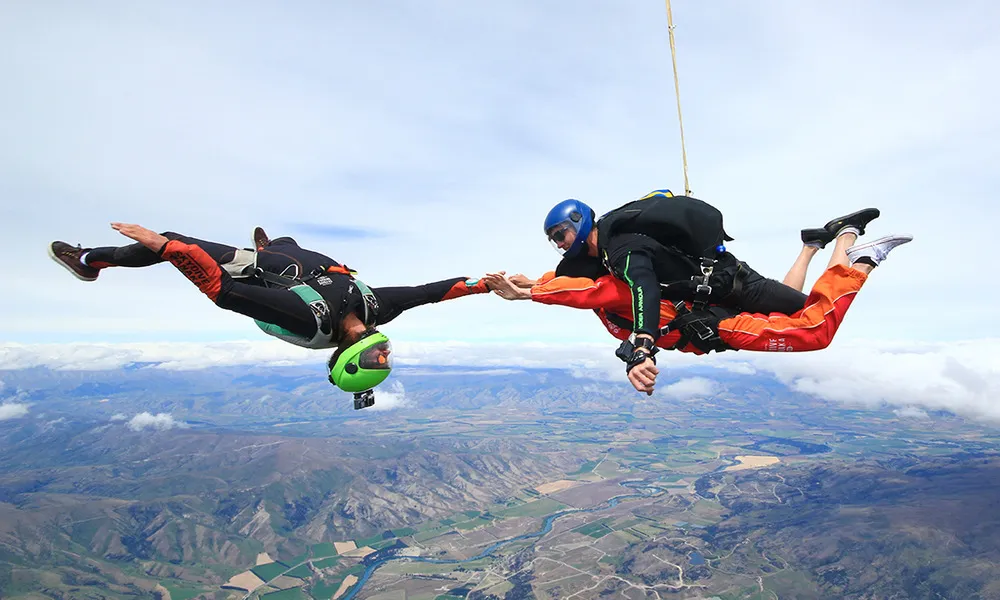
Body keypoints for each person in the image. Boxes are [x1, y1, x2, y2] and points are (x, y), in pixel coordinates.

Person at [48, 224, 493, 408]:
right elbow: (429, 293)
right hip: (303, 263)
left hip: (262, 272)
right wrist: (487, 284)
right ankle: (272, 245)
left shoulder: (307, 320)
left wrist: (170, 249)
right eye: (386, 356)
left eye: (376, 359)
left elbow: (221, 290)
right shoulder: (376, 308)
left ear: (349, 356)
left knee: (169, 238)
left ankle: (89, 261)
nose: (384, 352)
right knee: (286, 242)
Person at [488, 218, 912, 394]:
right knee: (805, 310)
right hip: (713, 309)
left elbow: (579, 293)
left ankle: (861, 260)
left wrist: (525, 294)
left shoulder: (616, 287)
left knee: (816, 332)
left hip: (716, 324)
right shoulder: (600, 284)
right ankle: (824, 243)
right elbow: (561, 285)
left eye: (563, 237)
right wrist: (524, 283)